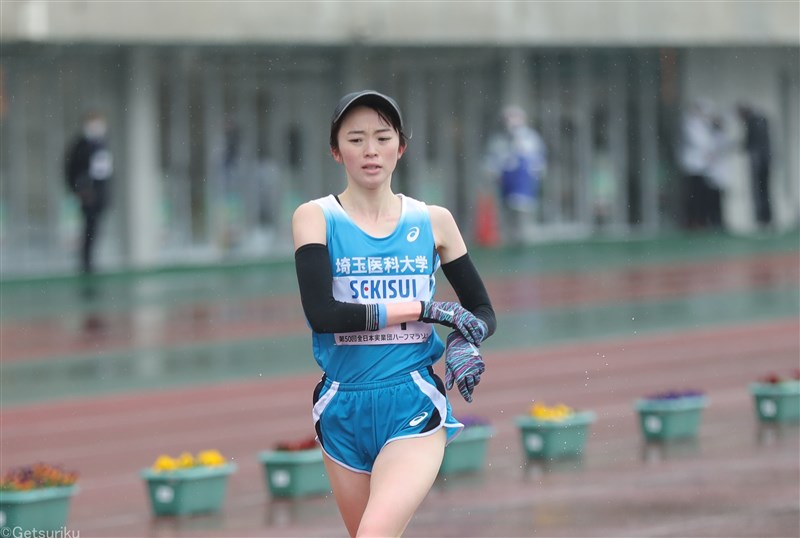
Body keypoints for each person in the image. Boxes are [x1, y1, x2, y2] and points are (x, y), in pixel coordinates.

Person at [292, 90, 496, 537]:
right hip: (340, 406)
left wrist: (463, 339)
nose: (370, 151)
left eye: (383, 138)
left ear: (400, 147)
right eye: (356, 139)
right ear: (335, 149)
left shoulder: (434, 221)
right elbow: (323, 314)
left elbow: (481, 310)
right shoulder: (315, 218)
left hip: (412, 402)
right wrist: (424, 309)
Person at [484, 105, 547, 246]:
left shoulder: (531, 138)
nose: (511, 122)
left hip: (523, 187)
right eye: (508, 118)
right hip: (504, 188)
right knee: (506, 220)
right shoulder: (499, 140)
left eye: (515, 118)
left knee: (523, 218)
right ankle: (509, 244)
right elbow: (492, 163)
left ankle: (523, 245)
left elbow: (538, 162)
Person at [64, 111, 113, 274]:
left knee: (96, 229)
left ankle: (91, 262)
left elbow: (104, 173)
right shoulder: (80, 146)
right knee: (89, 229)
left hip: (100, 194)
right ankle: (86, 264)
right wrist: (80, 190)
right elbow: (72, 170)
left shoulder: (102, 144)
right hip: (88, 195)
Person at [678, 99, 716, 230]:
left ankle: (702, 220)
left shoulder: (704, 125)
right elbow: (699, 142)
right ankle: (692, 221)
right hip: (692, 167)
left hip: (702, 167)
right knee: (692, 196)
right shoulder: (689, 123)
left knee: (702, 196)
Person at [736, 103, 773, 230]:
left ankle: (762, 219)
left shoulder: (753, 121)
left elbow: (750, 142)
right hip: (765, 160)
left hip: (759, 161)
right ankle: (765, 219)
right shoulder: (762, 119)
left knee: (759, 191)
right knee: (764, 190)